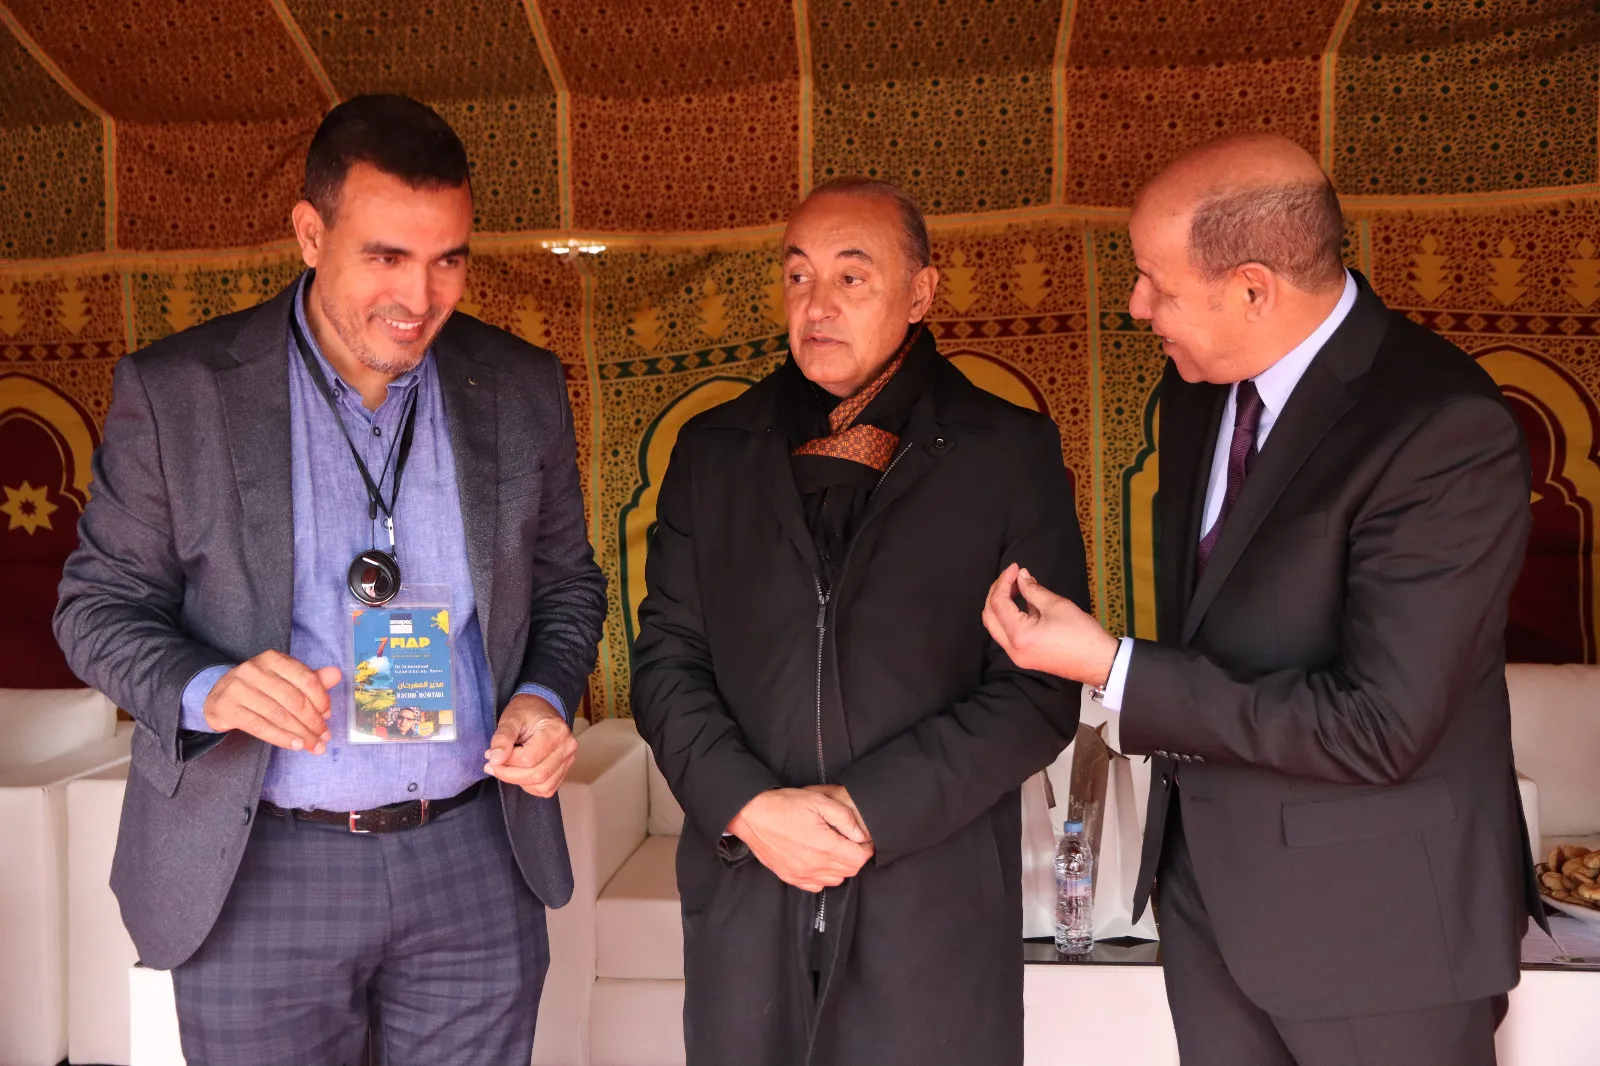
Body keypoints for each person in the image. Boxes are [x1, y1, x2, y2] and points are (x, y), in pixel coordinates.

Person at [54, 94, 607, 1064]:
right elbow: (95, 608)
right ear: (310, 234)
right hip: (259, 859)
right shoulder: (181, 392)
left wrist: (543, 695)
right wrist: (210, 688)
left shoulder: (518, 385)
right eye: (385, 256)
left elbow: (568, 584)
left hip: (474, 856)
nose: (419, 297)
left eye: (448, 260)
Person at [983, 133, 1541, 1066]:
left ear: (1253, 288)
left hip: (1380, 932)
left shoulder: (1442, 428)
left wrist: (1113, 668)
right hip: (1210, 901)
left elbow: (1381, 727)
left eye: (1155, 283)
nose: (1137, 306)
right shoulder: (1201, 387)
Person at [630, 177, 1088, 1066]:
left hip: (927, 892)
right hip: (750, 886)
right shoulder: (716, 451)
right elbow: (667, 662)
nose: (818, 305)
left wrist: (871, 811)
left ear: (920, 292)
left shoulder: (1004, 453)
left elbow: (1036, 693)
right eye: (798, 276)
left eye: (852, 277)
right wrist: (747, 806)